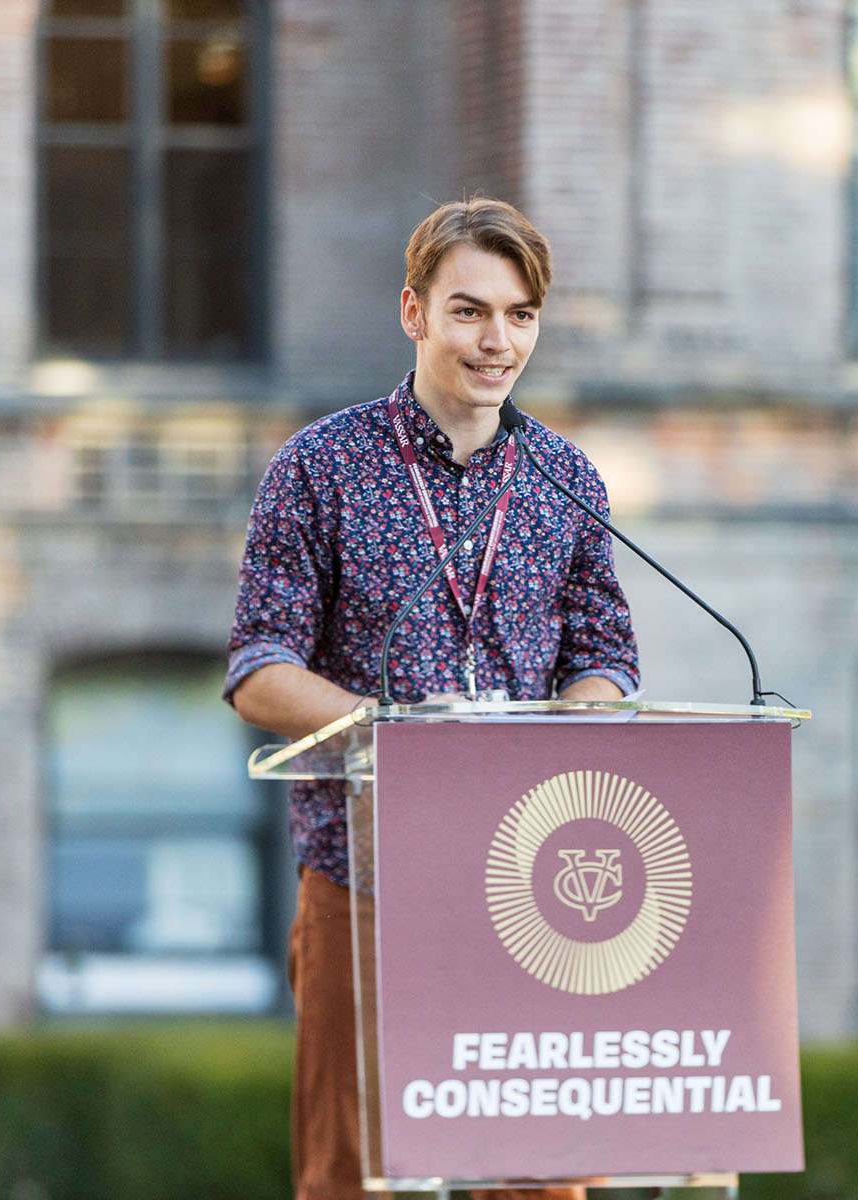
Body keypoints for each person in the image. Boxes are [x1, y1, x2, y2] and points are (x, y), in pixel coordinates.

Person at [225, 197, 637, 1200]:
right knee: (351, 1180)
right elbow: (259, 664)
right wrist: (392, 737)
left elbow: (606, 654)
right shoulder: (318, 467)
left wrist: (581, 718)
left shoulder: (566, 480)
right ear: (412, 312)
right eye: (469, 311)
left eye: (521, 315)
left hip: (529, 893)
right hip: (362, 882)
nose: (498, 341)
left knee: (534, 1183)